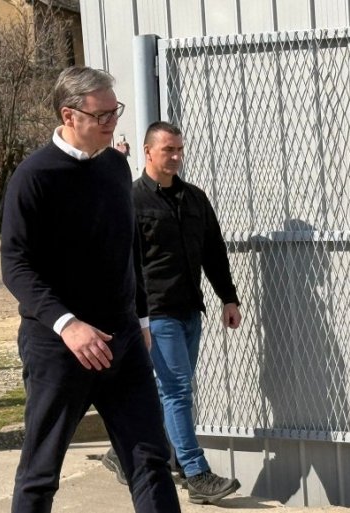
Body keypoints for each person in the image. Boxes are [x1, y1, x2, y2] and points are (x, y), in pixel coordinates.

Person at [0, 66, 181, 513]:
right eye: (101, 115)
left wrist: (141, 319)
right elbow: (15, 265)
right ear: (69, 115)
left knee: (151, 460)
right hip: (60, 347)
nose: (112, 122)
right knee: (40, 473)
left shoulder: (115, 167)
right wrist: (68, 325)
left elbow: (129, 249)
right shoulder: (34, 176)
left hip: (123, 342)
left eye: (115, 112)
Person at [103, 121, 243, 504]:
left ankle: (122, 450)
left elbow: (214, 252)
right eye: (168, 150)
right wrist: (138, 317)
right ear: (148, 152)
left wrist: (228, 298)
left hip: (190, 310)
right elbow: (126, 264)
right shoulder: (132, 201)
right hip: (156, 312)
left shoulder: (194, 199)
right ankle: (195, 473)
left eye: (179, 149)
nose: (176, 156)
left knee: (171, 390)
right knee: (177, 390)